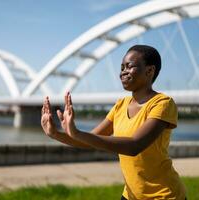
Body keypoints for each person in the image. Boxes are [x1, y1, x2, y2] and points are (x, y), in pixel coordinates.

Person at [41, 45, 187, 200]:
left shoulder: (163, 103)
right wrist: (55, 133)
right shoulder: (120, 105)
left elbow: (134, 145)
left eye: (129, 66)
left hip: (164, 195)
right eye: (122, 67)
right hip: (131, 195)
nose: (123, 72)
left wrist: (77, 133)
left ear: (150, 71)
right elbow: (89, 141)